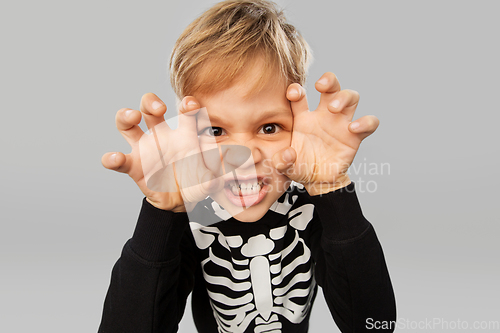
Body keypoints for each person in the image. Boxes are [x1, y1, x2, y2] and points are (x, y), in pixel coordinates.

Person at [98, 0, 396, 332]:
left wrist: (331, 188)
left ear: (298, 125)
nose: (244, 156)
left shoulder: (309, 211)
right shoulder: (198, 216)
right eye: (215, 131)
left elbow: (375, 325)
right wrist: (162, 213)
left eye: (269, 128)